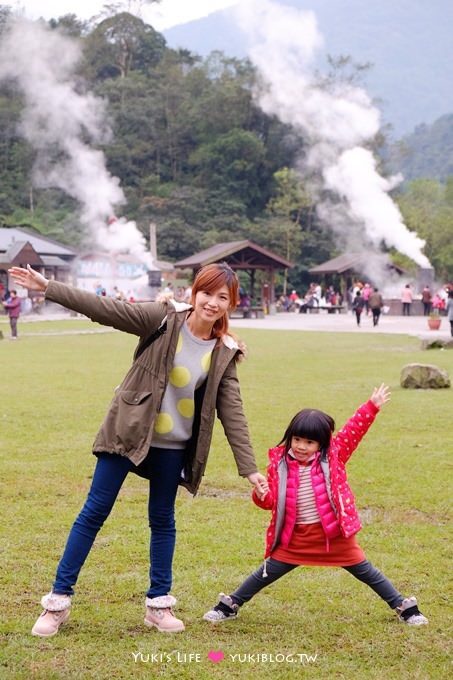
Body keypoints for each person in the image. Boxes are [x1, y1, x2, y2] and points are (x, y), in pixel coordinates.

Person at [8, 262, 266, 637]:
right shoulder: (162, 319)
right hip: (127, 432)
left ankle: (158, 605)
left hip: (170, 446)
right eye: (206, 293)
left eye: (222, 297)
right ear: (193, 293)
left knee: (162, 520)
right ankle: (57, 602)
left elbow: (233, 412)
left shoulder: (224, 351)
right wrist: (49, 286)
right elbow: (107, 309)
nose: (212, 302)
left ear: (232, 303)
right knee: (94, 512)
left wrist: (249, 469)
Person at [203, 385, 428, 628]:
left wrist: (371, 406)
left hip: (333, 536)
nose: (300, 446)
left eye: (309, 442)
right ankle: (232, 604)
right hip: (296, 538)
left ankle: (403, 607)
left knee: (366, 571)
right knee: (266, 573)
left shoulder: (334, 457)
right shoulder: (279, 465)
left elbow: (354, 431)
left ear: (321, 444)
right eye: (297, 439)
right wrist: (260, 494)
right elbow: (270, 503)